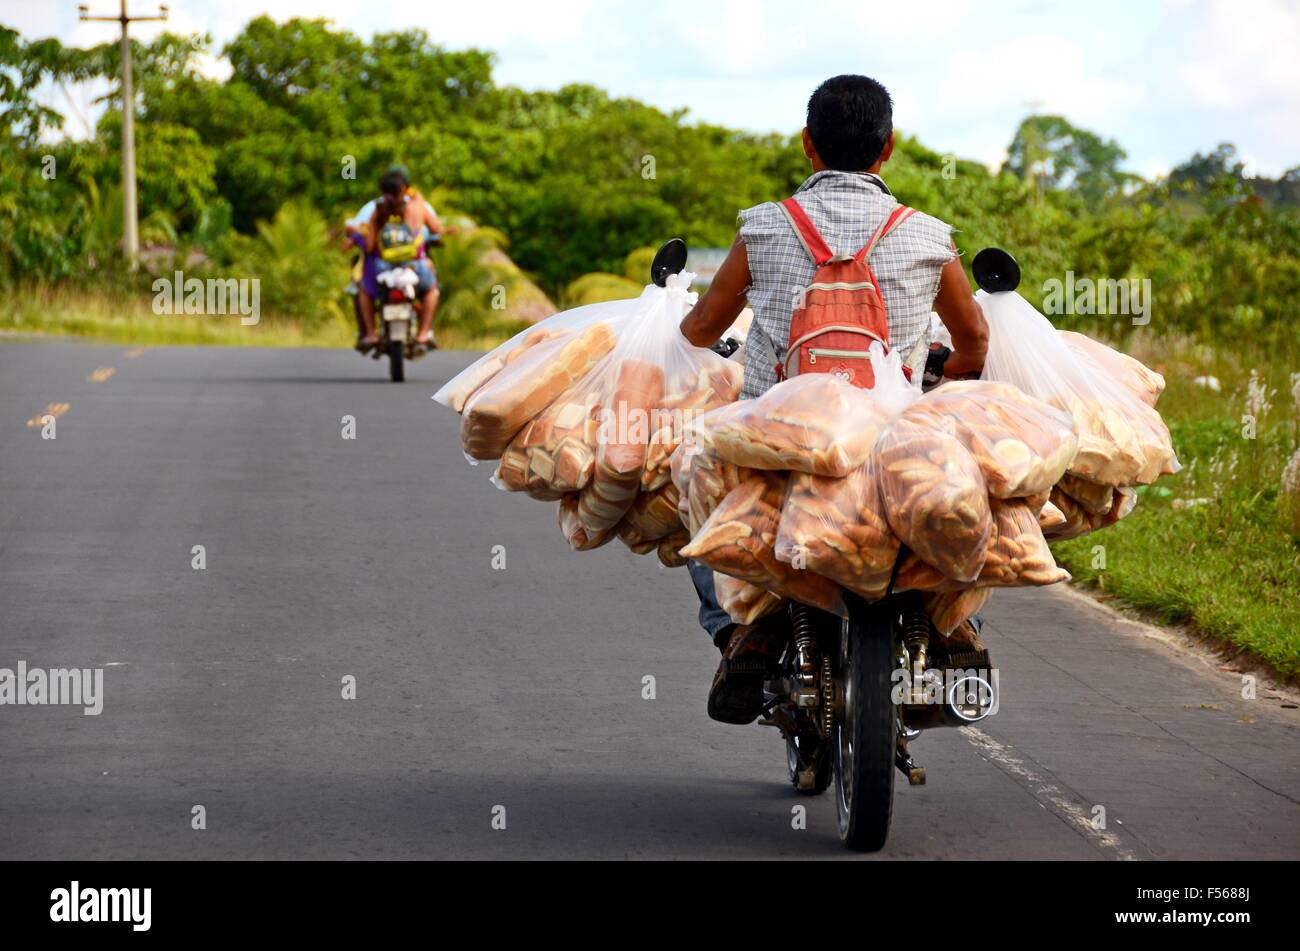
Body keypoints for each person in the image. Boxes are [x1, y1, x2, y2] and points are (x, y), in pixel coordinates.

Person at [678, 74, 990, 724]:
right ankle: (953, 630)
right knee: (967, 495)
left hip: (781, 440)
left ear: (806, 146)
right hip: (890, 441)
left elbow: (702, 329)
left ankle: (741, 631)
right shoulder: (930, 236)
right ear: (890, 148)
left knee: (693, 476)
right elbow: (974, 338)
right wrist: (950, 371)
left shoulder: (763, 228)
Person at [345, 166, 452, 350]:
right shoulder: (418, 206)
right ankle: (423, 334)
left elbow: (369, 245)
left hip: (382, 267)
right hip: (413, 265)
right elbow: (435, 230)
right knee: (431, 290)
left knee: (363, 288)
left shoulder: (376, 209)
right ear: (405, 187)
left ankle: (371, 335)